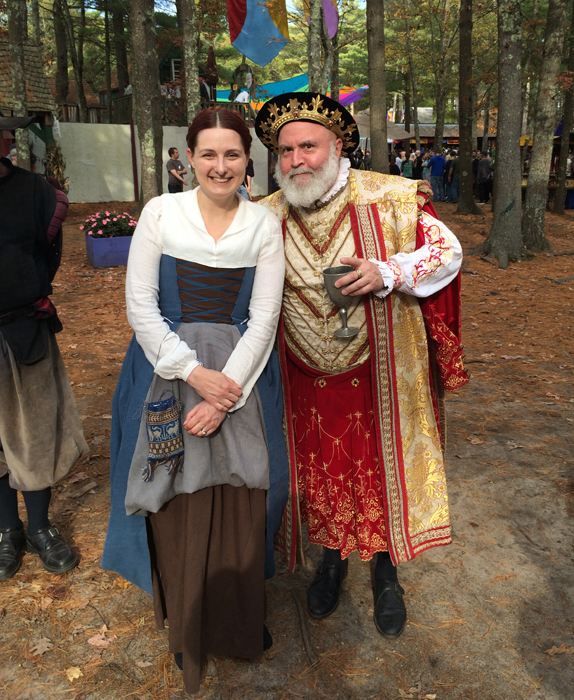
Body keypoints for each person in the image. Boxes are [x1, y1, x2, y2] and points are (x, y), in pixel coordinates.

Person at [254, 93, 467, 639]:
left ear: (337, 146)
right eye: (284, 151)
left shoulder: (393, 198)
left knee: (376, 475)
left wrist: (390, 270)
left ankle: (386, 574)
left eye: (308, 146)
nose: (296, 160)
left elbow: (447, 252)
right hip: (302, 377)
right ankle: (331, 563)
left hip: (379, 377)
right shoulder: (264, 214)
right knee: (320, 475)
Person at [102, 107, 288, 695]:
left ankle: (235, 619)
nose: (220, 165)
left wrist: (225, 392)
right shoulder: (161, 211)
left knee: (246, 487)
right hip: (165, 369)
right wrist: (192, 374)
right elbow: (141, 307)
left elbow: (263, 318)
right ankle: (184, 623)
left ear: (247, 161)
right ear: (188, 160)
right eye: (208, 154)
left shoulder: (262, 224)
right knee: (173, 490)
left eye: (231, 154)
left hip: (242, 375)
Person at [0, 154, 88, 581]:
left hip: (24, 329)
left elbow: (47, 255)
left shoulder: (35, 191)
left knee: (34, 431)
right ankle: (7, 531)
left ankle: (38, 527)